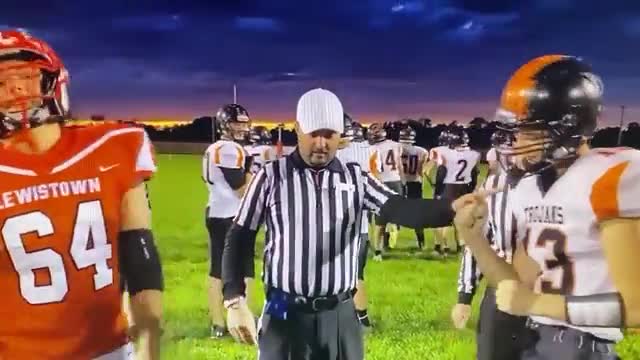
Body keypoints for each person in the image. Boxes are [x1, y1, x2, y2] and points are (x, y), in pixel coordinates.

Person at [221, 88, 456, 360]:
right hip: (285, 314)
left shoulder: (356, 178)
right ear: (298, 130)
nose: (321, 143)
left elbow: (401, 209)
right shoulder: (271, 176)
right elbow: (238, 237)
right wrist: (234, 299)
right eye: (314, 134)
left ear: (340, 136)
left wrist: (454, 209)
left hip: (340, 314)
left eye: (329, 135)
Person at [454, 54, 640, 360]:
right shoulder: (529, 187)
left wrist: (537, 305)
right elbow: (516, 288)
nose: (515, 141)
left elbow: (634, 308)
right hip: (536, 342)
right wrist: (473, 238)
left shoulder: (612, 175)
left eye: (527, 129)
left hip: (585, 349)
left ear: (566, 127)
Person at [0, 29, 163, 359]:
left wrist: (148, 340)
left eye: (28, 77)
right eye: (1, 83)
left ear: (51, 81)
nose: (16, 90)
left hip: (108, 349)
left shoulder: (113, 146)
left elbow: (139, 252)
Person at [452, 144, 527, 360]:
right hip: (501, 288)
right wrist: (464, 297)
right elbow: (477, 242)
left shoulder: (566, 185)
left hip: (549, 293)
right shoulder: (494, 186)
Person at [202, 103, 255, 338]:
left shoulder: (214, 148)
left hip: (217, 211)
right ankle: (243, 318)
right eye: (236, 122)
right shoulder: (228, 148)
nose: (242, 127)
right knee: (243, 270)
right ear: (225, 124)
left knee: (217, 270)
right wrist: (254, 173)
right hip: (231, 215)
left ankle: (218, 324)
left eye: (244, 122)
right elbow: (241, 188)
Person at [336, 113, 382, 330]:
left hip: (334, 225)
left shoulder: (329, 153)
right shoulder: (369, 151)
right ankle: (362, 321)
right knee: (356, 274)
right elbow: (377, 183)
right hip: (360, 223)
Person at [438, 127, 480, 253]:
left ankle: (444, 247)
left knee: (443, 220)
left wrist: (438, 191)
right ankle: (461, 246)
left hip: (449, 187)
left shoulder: (446, 153)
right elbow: (474, 174)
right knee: (460, 219)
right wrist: (471, 190)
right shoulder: (475, 154)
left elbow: (441, 172)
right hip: (465, 187)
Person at [368, 122, 404, 258]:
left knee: (379, 219)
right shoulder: (396, 145)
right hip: (396, 181)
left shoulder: (372, 149)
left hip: (382, 182)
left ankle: (378, 250)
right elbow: (399, 165)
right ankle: (392, 230)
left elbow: (374, 169)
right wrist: (402, 181)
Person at [399, 126, 429, 249]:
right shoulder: (422, 151)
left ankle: (385, 244)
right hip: (415, 182)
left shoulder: (395, 148)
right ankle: (421, 242)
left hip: (399, 181)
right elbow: (422, 170)